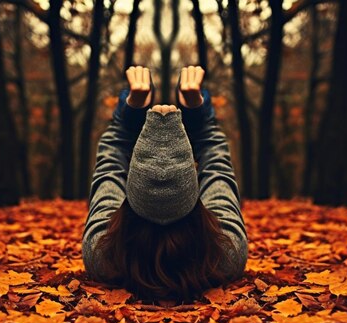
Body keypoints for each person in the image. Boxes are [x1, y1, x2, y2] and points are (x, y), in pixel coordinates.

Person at [81, 65, 248, 302]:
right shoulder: (224, 252)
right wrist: (198, 111)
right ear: (196, 197)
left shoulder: (103, 253)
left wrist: (129, 111)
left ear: (129, 198)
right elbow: (217, 167)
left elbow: (109, 165)